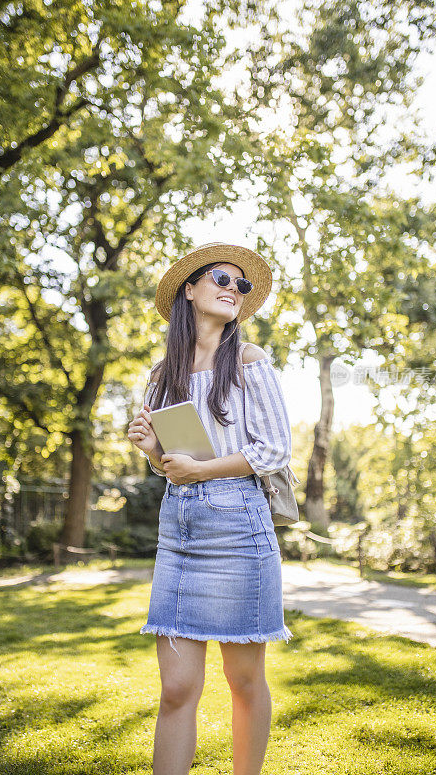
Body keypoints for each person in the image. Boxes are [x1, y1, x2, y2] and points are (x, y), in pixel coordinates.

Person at [128, 242, 293, 775]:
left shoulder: (248, 360)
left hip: (239, 527)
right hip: (179, 529)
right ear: (190, 289)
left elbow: (272, 449)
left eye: (241, 285)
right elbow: (172, 466)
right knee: (176, 687)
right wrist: (153, 451)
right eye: (222, 277)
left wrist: (201, 470)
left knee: (243, 681)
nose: (233, 288)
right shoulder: (162, 373)